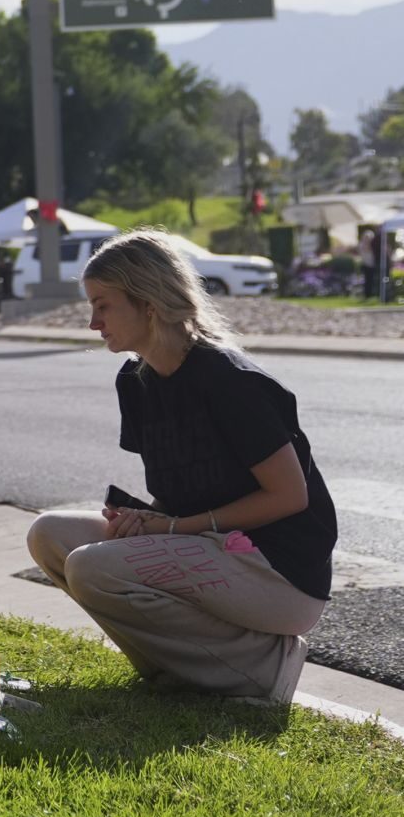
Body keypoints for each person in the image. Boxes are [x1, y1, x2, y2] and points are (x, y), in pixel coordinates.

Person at [24, 229, 335, 705]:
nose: (93, 323)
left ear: (148, 303)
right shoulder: (136, 379)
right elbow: (179, 486)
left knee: (91, 568)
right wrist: (145, 520)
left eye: (103, 305)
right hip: (204, 544)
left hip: (277, 571)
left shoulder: (230, 381)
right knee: (50, 535)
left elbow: (291, 497)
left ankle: (264, 666)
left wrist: (173, 527)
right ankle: (177, 674)